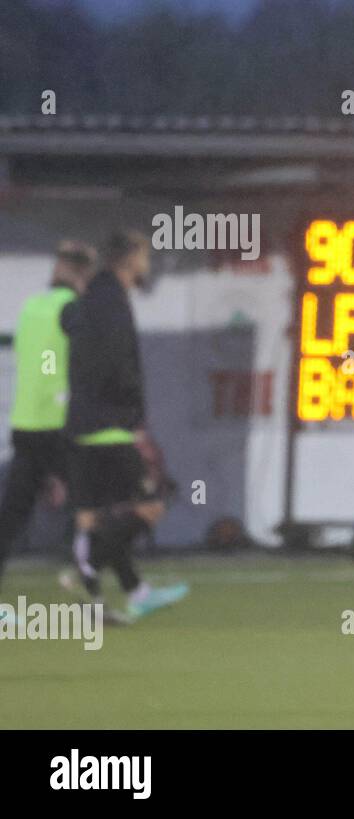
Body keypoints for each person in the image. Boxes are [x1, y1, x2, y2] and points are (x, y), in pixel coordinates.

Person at [62, 230, 188, 621]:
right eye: (145, 257)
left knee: (99, 515)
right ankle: (86, 568)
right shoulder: (112, 302)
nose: (147, 265)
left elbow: (68, 325)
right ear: (131, 259)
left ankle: (135, 590)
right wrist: (132, 416)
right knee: (151, 504)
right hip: (109, 424)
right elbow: (117, 364)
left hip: (84, 422)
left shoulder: (91, 298)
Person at [0, 242, 96, 590]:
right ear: (81, 274)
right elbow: (81, 365)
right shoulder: (72, 309)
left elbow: (35, 358)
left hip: (26, 423)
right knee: (91, 502)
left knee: (11, 516)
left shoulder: (31, 307)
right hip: (58, 423)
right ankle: (90, 582)